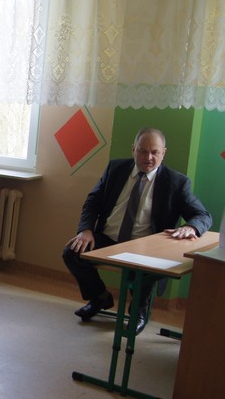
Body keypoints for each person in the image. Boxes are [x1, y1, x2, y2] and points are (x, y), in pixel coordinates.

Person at [62, 127, 212, 334]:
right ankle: (100, 297)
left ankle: (138, 312)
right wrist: (85, 229)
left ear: (163, 153)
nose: (148, 157)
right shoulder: (115, 169)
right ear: (133, 149)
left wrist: (191, 226)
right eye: (143, 151)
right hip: (108, 237)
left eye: (155, 152)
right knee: (72, 252)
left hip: (143, 244)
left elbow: (203, 215)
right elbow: (93, 201)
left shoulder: (176, 183)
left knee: (147, 268)